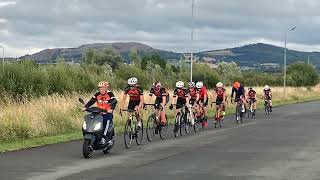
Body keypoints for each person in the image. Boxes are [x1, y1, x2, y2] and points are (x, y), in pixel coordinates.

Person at [82, 81, 117, 145]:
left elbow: (114, 101)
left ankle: (104, 137)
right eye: (100, 88)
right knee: (90, 119)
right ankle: (92, 133)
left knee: (107, 121)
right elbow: (91, 101)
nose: (101, 90)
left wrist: (111, 109)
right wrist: (85, 107)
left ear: (106, 88)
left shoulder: (110, 94)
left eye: (103, 88)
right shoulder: (97, 94)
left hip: (107, 113)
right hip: (98, 113)